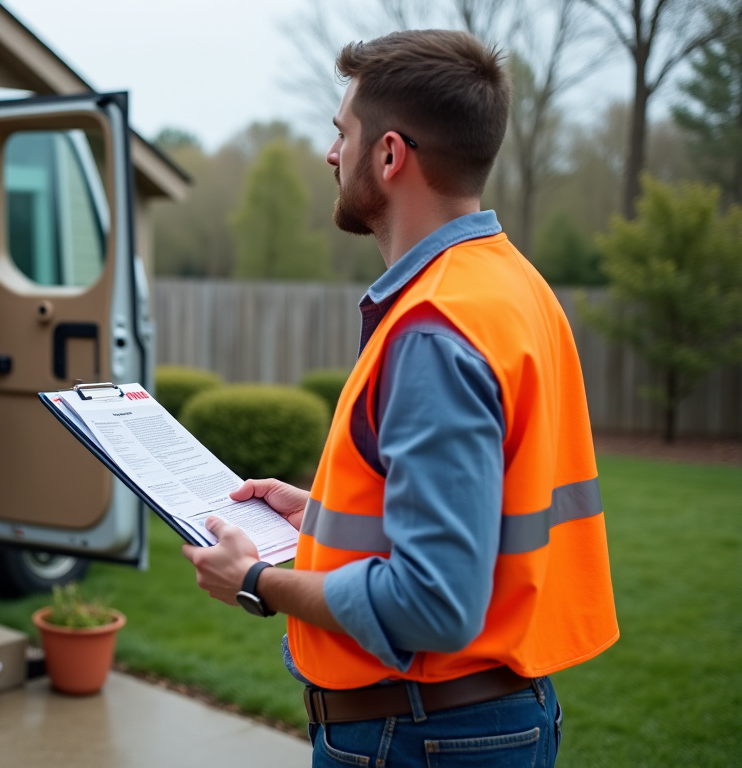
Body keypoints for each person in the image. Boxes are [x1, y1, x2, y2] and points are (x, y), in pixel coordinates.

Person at [182, 30, 618, 766]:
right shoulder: (512, 285)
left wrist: (257, 581)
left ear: (389, 155)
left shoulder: (435, 329)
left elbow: (433, 604)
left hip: (422, 738)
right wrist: (316, 512)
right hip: (485, 716)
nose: (331, 155)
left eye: (341, 133)